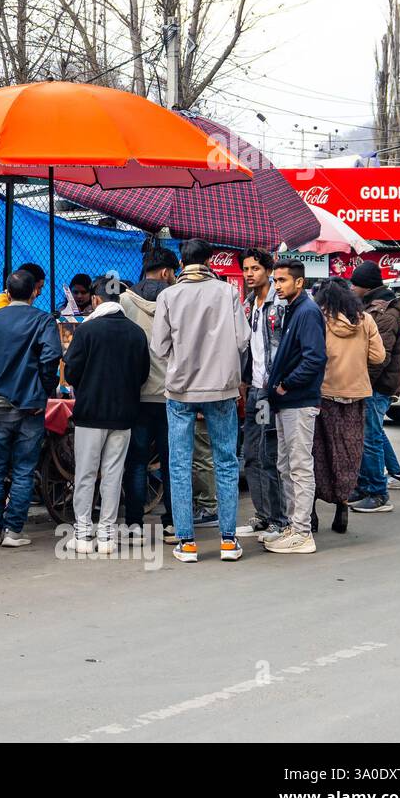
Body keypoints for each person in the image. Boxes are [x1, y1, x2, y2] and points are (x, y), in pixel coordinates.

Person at [151, 239, 249, 563]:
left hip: (180, 391)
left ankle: (187, 543)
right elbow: (243, 339)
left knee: (179, 463)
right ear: (209, 260)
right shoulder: (228, 292)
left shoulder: (168, 295)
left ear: (181, 261)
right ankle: (228, 540)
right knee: (226, 461)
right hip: (222, 389)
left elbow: (159, 347)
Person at [0, 267, 62, 547]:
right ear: (35, 292)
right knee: (24, 469)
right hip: (30, 407)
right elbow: (51, 357)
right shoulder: (43, 320)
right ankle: (13, 531)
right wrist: (44, 391)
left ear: (7, 292)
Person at [63, 274, 150, 555]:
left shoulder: (87, 331)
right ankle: (108, 536)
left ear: (96, 299)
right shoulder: (136, 333)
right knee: (114, 475)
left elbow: (72, 372)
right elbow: (143, 375)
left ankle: (83, 534)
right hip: (124, 415)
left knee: (86, 474)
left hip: (90, 414)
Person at [263, 261, 328, 555]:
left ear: (299, 283)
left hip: (299, 402)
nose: (277, 285)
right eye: (276, 281)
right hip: (287, 402)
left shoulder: (307, 312)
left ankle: (302, 532)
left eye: (283, 280)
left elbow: (315, 358)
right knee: (286, 465)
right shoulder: (294, 310)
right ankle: (293, 526)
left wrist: (286, 384)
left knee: (299, 466)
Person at [311, 278, 384, 535]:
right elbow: (379, 356)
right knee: (348, 453)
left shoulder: (319, 319)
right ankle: (342, 505)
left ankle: (312, 513)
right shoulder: (365, 320)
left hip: (324, 395)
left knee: (319, 452)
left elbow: (312, 355)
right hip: (356, 396)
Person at [119, 247, 178, 543]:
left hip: (137, 396)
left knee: (137, 461)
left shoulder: (124, 301)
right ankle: (172, 524)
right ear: (167, 272)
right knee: (173, 461)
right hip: (172, 396)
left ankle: (133, 524)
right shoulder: (177, 299)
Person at [238, 248, 288, 542]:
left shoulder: (278, 304)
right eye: (246, 269)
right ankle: (262, 514)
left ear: (268, 270)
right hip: (254, 389)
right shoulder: (248, 304)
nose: (249, 274)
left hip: (272, 390)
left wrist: (280, 384)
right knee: (252, 455)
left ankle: (279, 520)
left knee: (269, 456)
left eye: (255, 268)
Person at [349, 261, 400, 513]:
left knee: (370, 438)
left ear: (366, 286)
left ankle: (377, 492)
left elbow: (378, 358)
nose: (351, 288)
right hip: (370, 385)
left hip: (377, 386)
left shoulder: (385, 314)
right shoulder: (372, 307)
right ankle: (365, 486)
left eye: (355, 283)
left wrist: (360, 384)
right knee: (367, 436)